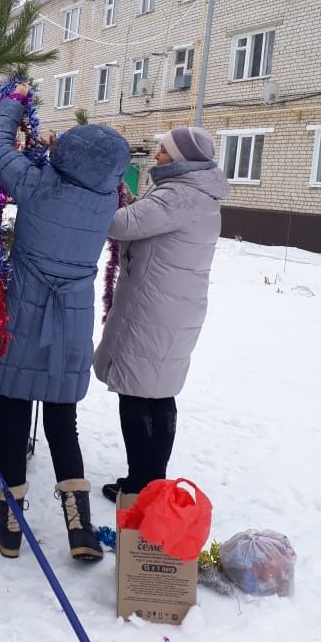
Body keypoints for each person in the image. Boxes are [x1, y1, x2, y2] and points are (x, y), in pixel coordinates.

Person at [0, 85, 130, 562]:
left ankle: (11, 528)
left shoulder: (39, 185)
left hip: (24, 313)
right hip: (71, 321)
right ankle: (80, 530)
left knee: (13, 412)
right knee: (62, 419)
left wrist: (15, 102)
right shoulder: (108, 201)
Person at [94, 126, 229, 502]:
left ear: (183, 159)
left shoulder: (178, 195)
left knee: (136, 392)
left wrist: (99, 187)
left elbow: (120, 224)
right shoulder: (195, 193)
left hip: (155, 310)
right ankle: (153, 478)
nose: (156, 156)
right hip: (174, 307)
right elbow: (146, 220)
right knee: (159, 392)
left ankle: (141, 484)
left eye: (164, 152)